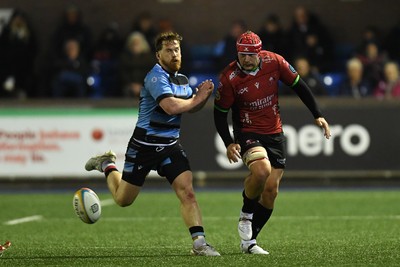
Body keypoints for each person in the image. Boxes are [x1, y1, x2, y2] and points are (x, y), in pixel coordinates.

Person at [85, 32, 220, 256]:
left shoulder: (182, 79)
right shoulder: (155, 77)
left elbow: (190, 106)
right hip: (143, 147)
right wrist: (196, 99)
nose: (174, 54)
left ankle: (199, 243)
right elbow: (170, 107)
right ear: (158, 55)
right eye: (169, 50)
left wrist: (201, 99)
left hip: (170, 145)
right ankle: (107, 165)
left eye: (177, 49)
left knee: (187, 192)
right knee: (123, 200)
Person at [213, 31, 331, 255]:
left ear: (259, 53)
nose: (245, 59)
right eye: (241, 54)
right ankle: (246, 215)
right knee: (261, 171)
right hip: (247, 130)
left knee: (271, 191)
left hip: (274, 131)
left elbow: (299, 85)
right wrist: (229, 142)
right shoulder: (229, 77)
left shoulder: (275, 62)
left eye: (250, 55)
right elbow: (219, 113)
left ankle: (249, 242)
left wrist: (318, 114)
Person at [119, 31, 155, 98]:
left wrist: (141, 85)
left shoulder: (149, 58)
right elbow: (123, 73)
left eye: (137, 44)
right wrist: (132, 85)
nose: (135, 46)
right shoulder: (125, 57)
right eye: (133, 44)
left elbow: (151, 74)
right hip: (129, 85)